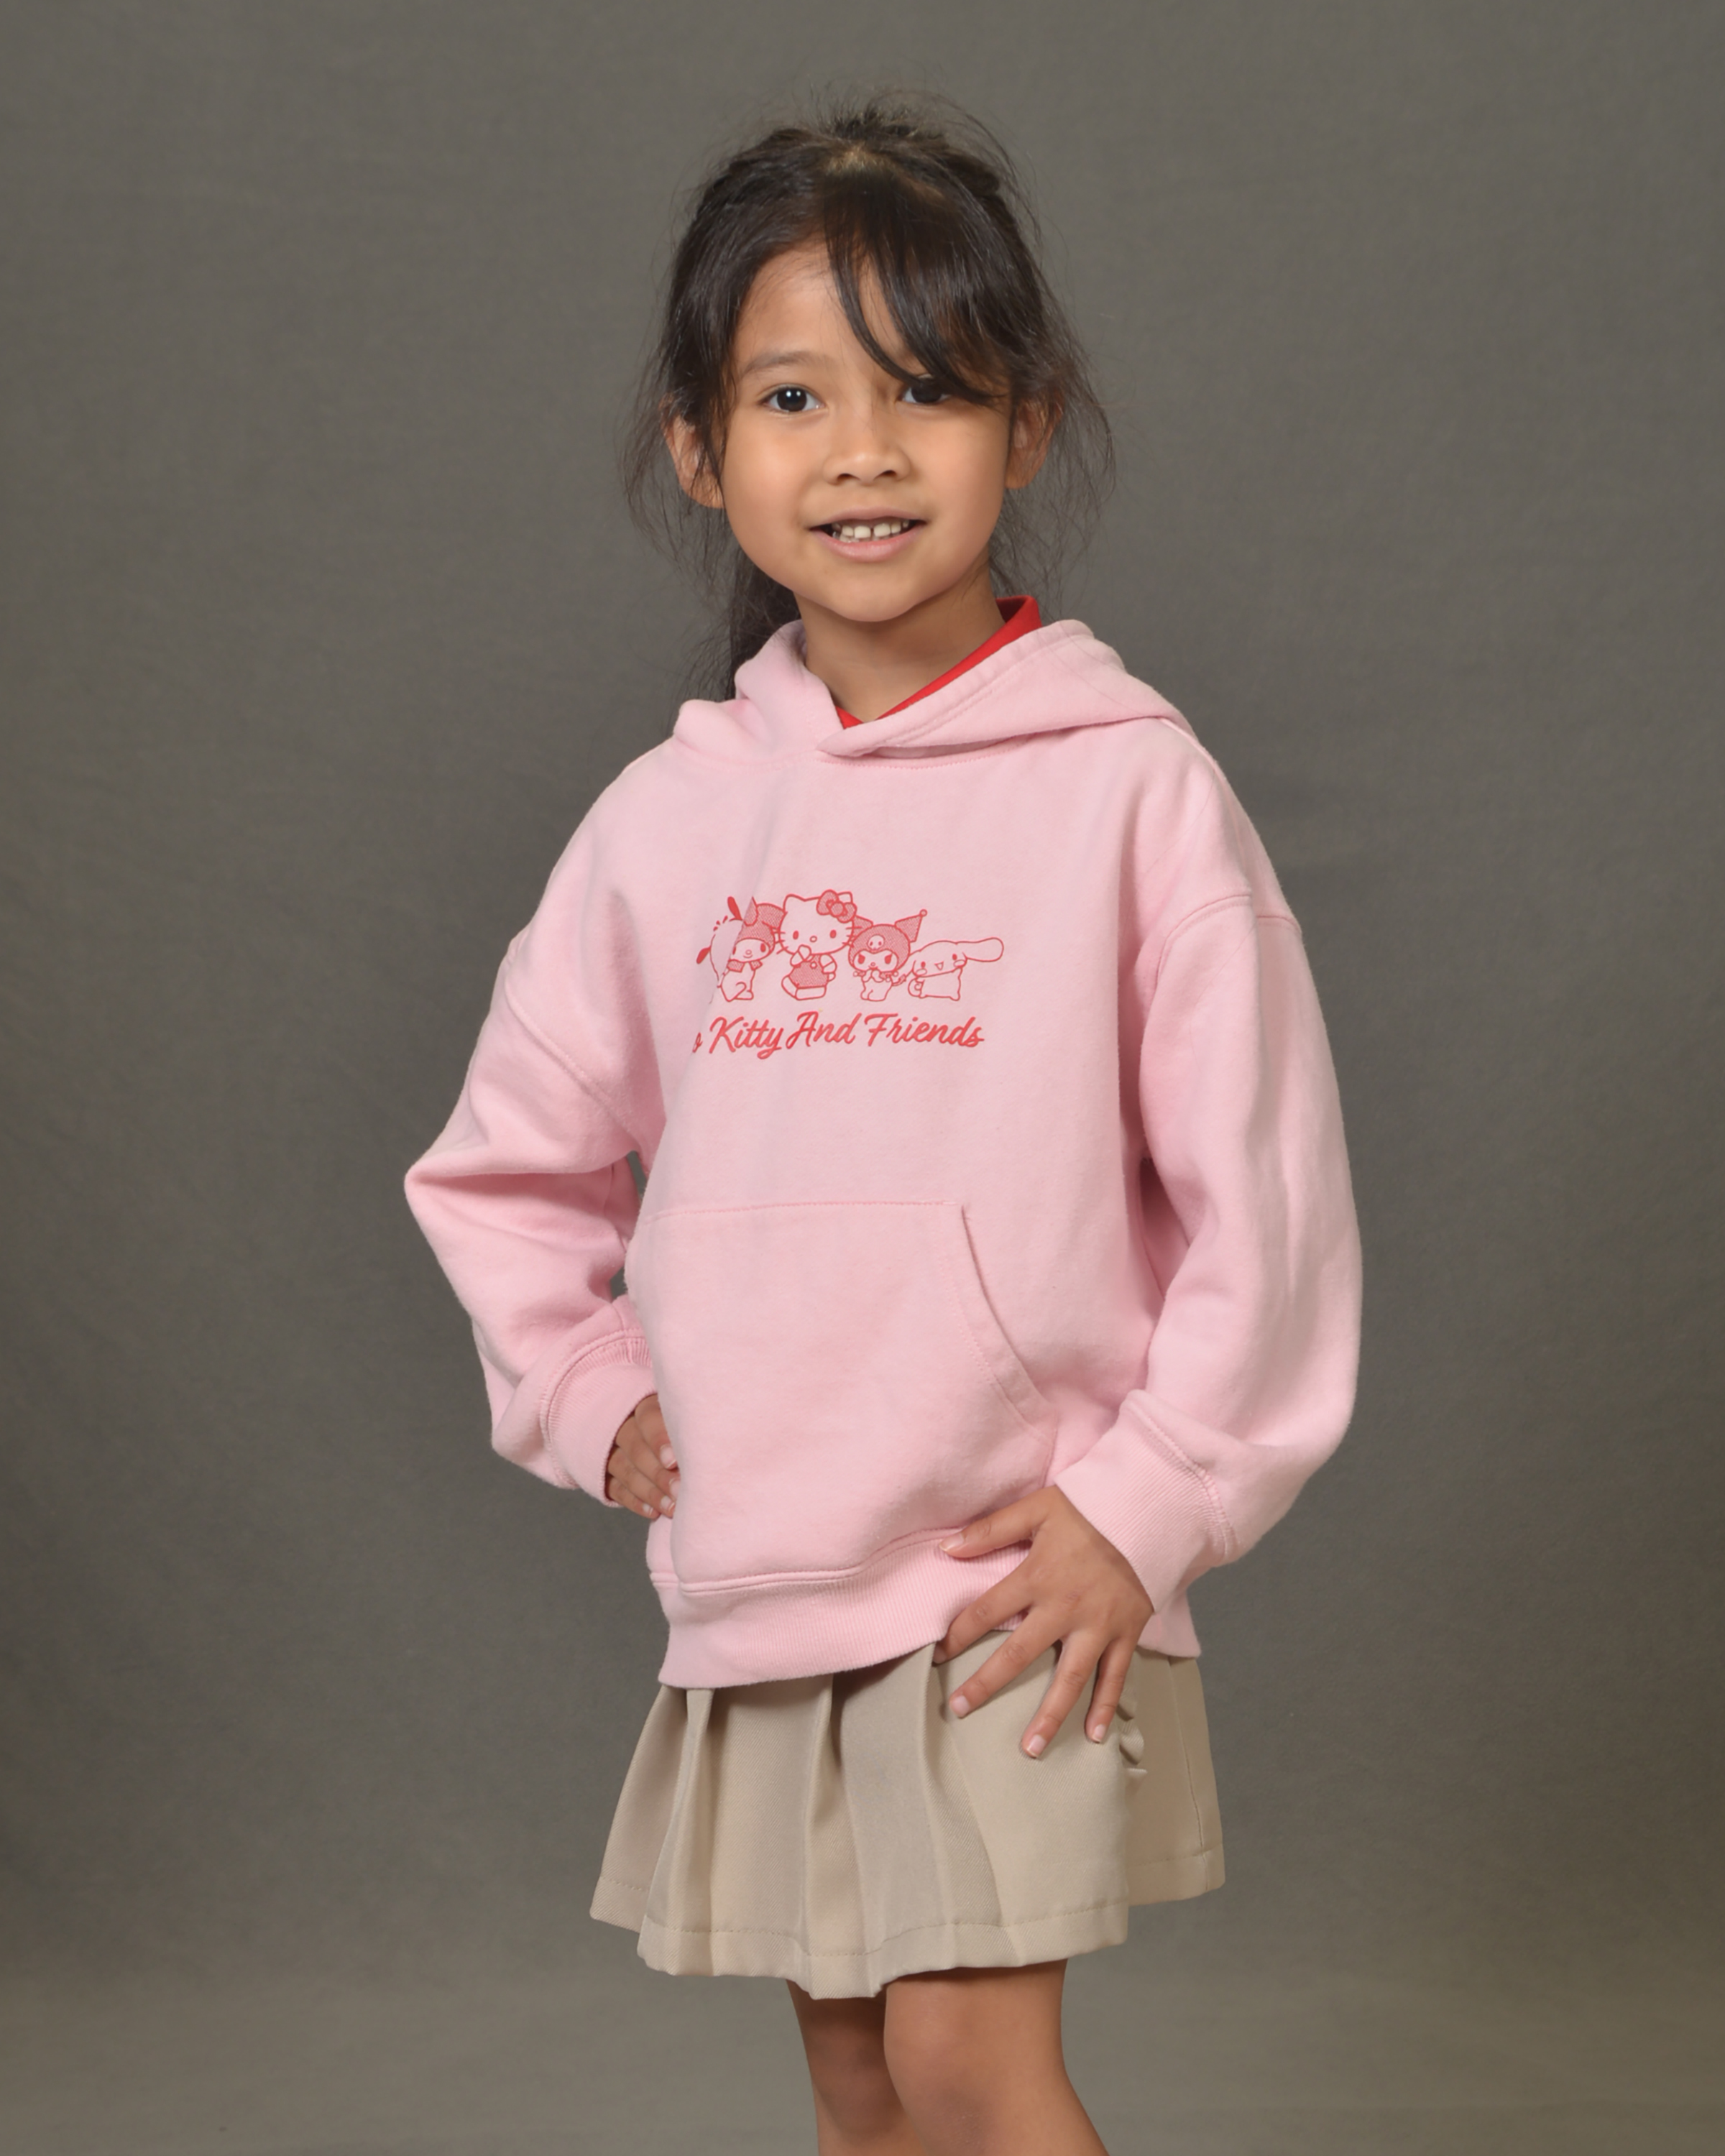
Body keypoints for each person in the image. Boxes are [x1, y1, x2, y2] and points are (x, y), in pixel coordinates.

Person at [405, 94, 1361, 2156]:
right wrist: (585, 1387)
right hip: (771, 1571)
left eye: (927, 388)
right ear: (699, 448)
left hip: (1017, 1570)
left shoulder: (1125, 790)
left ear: (1028, 426)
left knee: (967, 2069)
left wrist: (1159, 1496)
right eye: (792, 396)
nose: (862, 449)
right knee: (860, 2083)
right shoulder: (668, 825)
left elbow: (1266, 1199)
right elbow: (506, 1162)